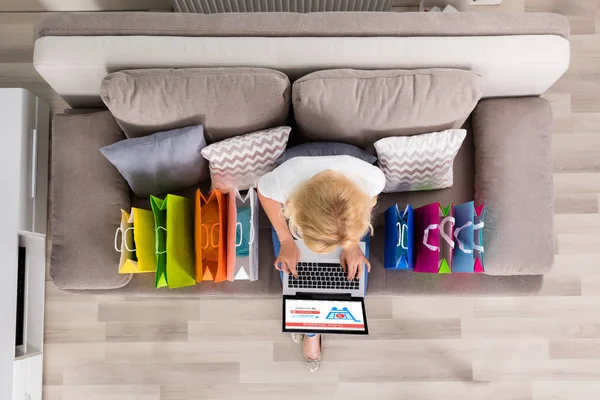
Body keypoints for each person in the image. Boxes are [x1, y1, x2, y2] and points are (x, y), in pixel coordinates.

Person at [257, 155, 385, 372]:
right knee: (297, 281)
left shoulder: (373, 179)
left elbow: (370, 198)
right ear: (297, 212)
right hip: (308, 198)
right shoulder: (285, 179)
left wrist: (351, 244)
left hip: (342, 218)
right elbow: (264, 193)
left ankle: (307, 325)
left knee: (354, 291)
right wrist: (286, 240)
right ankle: (311, 333)